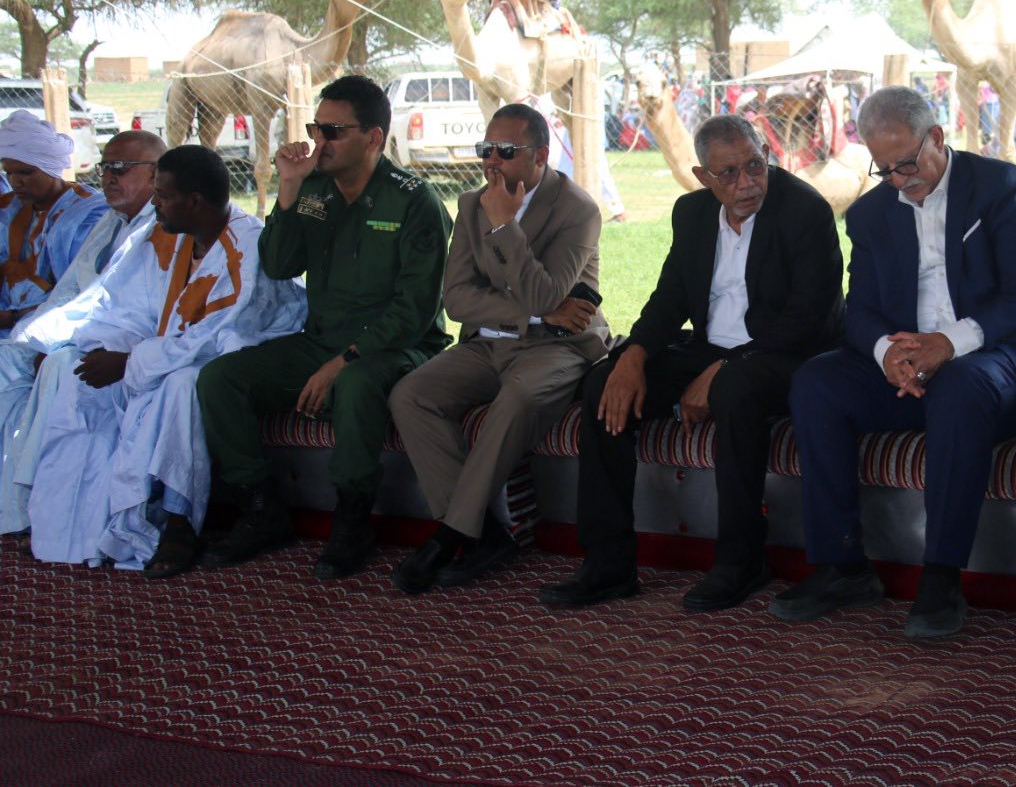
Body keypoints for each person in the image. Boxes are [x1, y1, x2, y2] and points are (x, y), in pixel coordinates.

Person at [773, 87, 1016, 639]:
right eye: (884, 170)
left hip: (997, 355)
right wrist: (888, 354)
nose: (899, 180)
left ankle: (942, 576)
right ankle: (842, 566)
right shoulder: (871, 214)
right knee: (817, 382)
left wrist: (948, 342)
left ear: (937, 138)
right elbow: (860, 309)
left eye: (907, 163)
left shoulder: (999, 187)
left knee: (960, 385)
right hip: (912, 363)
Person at [541, 115, 842, 613]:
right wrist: (634, 354)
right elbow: (670, 298)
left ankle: (741, 560)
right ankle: (609, 562)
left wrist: (725, 368)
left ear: (766, 156)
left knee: (735, 389)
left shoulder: (804, 211)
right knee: (603, 386)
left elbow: (810, 319)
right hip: (710, 350)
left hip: (786, 354)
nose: (747, 182)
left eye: (755, 165)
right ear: (703, 177)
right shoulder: (693, 213)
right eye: (729, 173)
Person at [197, 74, 452, 580]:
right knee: (220, 379)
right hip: (321, 341)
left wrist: (343, 360)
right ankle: (261, 507)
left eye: (333, 132)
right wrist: (289, 189)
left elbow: (415, 310)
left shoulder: (413, 200)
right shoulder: (312, 188)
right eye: (316, 129)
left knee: (355, 384)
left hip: (399, 348)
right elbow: (278, 265)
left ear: (373, 137)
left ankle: (353, 518)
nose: (319, 141)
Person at [26, 146, 305, 575]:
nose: (154, 202)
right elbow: (129, 308)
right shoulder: (170, 236)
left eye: (163, 195)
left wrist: (130, 362)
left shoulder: (245, 246)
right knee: (77, 368)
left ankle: (179, 518)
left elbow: (219, 336)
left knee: (182, 384)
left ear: (195, 201)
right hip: (168, 354)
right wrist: (105, 348)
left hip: (243, 355)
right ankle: (88, 520)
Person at [389, 104, 608, 594]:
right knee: (411, 394)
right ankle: (487, 533)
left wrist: (506, 227)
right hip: (488, 343)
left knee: (519, 396)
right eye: (485, 149)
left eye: (506, 151)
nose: (492, 160)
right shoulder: (471, 205)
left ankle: (449, 535)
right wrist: (533, 313)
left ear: (540, 156)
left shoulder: (576, 209)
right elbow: (456, 299)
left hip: (558, 346)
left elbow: (545, 296)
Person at [0, 131, 165, 535]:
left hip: (124, 343)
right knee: (7, 357)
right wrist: (30, 335)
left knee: (60, 366)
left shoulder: (164, 224)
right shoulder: (112, 220)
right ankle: (12, 505)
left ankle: (36, 508)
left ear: (156, 174)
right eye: (105, 167)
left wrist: (51, 339)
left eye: (121, 168)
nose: (108, 178)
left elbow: (124, 306)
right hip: (79, 329)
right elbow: (70, 291)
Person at [0, 110, 109, 334]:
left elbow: (82, 291)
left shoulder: (87, 214)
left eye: (25, 172)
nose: (15, 182)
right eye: (9, 173)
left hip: (55, 326)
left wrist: (15, 317)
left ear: (50, 167)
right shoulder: (8, 207)